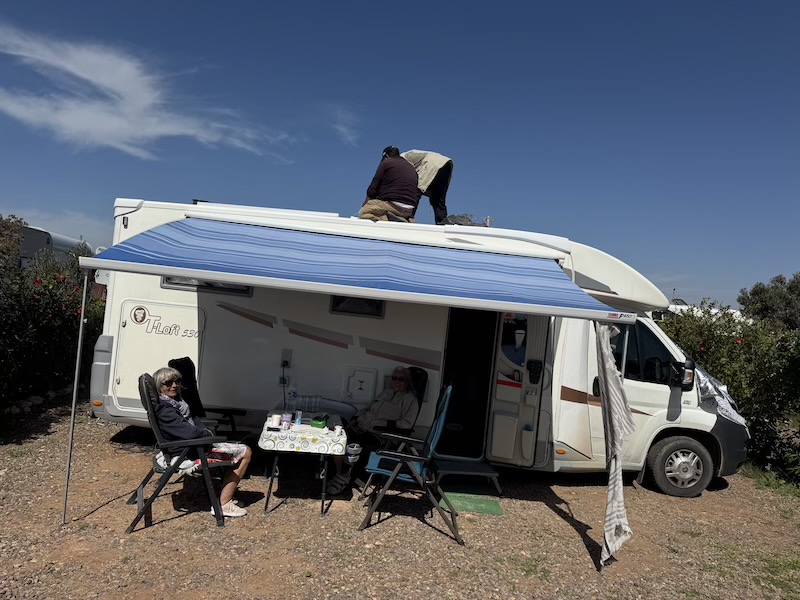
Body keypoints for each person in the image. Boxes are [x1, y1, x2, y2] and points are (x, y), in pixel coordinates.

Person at [152, 366, 253, 518]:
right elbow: (190, 433)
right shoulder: (166, 411)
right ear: (159, 386)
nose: (174, 385)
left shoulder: (175, 403)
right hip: (187, 452)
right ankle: (224, 504)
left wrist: (204, 429)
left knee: (240, 449)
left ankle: (225, 496)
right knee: (245, 452)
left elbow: (194, 420)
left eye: (177, 381)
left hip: (193, 446)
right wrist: (207, 433)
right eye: (168, 383)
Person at [326, 366, 419, 495]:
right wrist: (356, 418)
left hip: (379, 434)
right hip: (361, 427)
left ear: (407, 382)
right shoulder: (386, 393)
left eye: (401, 379)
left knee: (353, 444)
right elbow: (368, 408)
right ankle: (340, 473)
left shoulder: (410, 400)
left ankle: (343, 477)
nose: (397, 382)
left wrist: (384, 424)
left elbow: (407, 424)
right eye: (394, 378)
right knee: (338, 437)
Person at [358, 146, 421, 222]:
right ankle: (402, 218)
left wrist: (365, 204)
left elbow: (373, 189)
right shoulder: (411, 167)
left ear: (386, 156)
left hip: (392, 206)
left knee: (365, 212)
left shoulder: (387, 162)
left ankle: (386, 218)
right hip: (408, 211)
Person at [401, 150, 454, 225]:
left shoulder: (401, 158)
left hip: (432, 164)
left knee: (416, 192)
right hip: (447, 164)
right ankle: (442, 222)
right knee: (438, 199)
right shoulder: (409, 155)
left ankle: (408, 217)